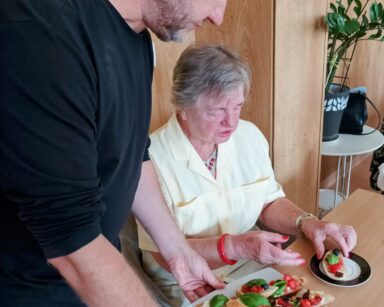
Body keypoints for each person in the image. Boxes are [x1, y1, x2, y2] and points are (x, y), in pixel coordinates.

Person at [0, 0, 229, 306]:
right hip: (30, 290)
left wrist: (178, 251)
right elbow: (70, 238)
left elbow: (133, 154)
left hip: (93, 280)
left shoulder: (138, 37)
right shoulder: (41, 32)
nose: (218, 16)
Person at [136, 44, 358, 306]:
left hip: (249, 268)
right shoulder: (151, 159)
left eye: (237, 106)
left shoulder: (249, 136)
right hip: (185, 282)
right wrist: (236, 246)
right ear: (183, 106)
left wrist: (307, 223)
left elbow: (269, 201)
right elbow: (164, 254)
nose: (231, 122)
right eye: (217, 110)